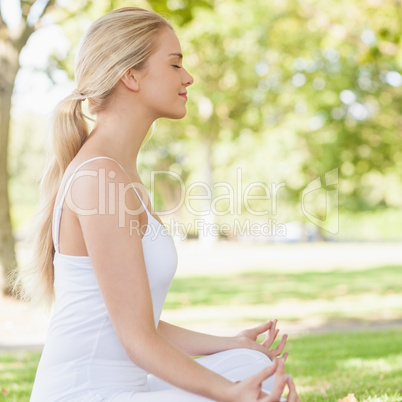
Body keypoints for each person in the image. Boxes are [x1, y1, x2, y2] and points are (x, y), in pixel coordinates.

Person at [18, 7, 300, 402]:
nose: (188, 77)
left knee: (252, 365)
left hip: (126, 387)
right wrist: (230, 393)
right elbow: (137, 340)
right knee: (245, 389)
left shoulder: (120, 174)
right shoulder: (101, 179)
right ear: (130, 76)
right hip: (84, 394)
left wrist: (230, 343)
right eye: (174, 64)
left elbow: (139, 323)